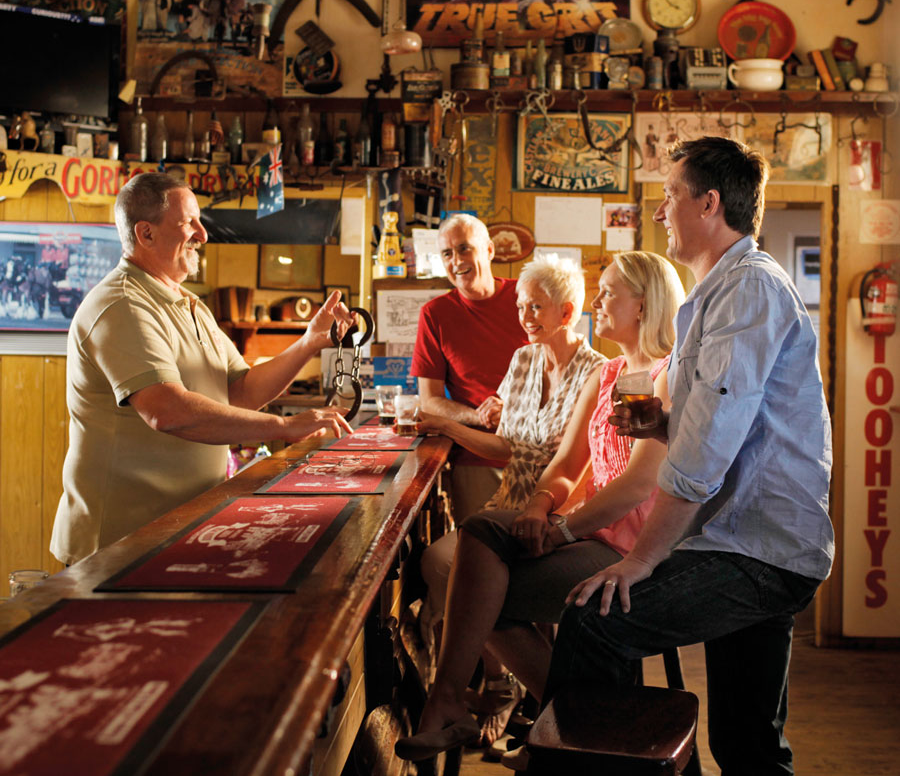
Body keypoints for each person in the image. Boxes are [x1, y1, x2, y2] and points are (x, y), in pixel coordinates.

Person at [545, 137, 835, 776]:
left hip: (760, 549)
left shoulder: (749, 289)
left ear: (709, 204)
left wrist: (642, 559)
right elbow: (715, 422)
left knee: (596, 621)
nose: (659, 212)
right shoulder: (716, 292)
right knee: (747, 744)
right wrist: (663, 421)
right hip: (749, 542)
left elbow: (708, 445)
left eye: (670, 196)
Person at [396, 251, 685, 762]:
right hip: (593, 531)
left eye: (609, 292)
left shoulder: (668, 374)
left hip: (637, 549)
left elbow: (642, 483)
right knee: (482, 537)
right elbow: (569, 466)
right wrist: (538, 506)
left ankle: (559, 719)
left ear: (644, 305)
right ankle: (560, 722)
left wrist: (564, 530)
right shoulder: (609, 373)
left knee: (484, 590)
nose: (598, 301)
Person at [50, 172, 353, 566]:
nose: (203, 234)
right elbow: (166, 410)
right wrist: (284, 428)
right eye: (188, 222)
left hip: (175, 528)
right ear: (146, 234)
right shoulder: (122, 305)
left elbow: (242, 391)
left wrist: (310, 342)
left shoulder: (188, 303)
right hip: (116, 539)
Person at [416, 255, 604, 742]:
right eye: (521, 307)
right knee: (438, 563)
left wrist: (447, 425)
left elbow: (573, 464)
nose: (524, 318)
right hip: (508, 501)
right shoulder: (523, 359)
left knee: (466, 574)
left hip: (562, 512)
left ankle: (546, 710)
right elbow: (509, 445)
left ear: (566, 313)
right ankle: (529, 704)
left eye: (536, 308)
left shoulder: (598, 372)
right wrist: (452, 424)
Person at [412, 214, 527, 523]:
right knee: (479, 559)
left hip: (542, 454)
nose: (456, 261)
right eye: (447, 253)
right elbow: (429, 401)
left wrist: (515, 413)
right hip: (476, 461)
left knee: (543, 558)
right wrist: (478, 415)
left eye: (465, 249)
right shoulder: (435, 314)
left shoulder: (527, 298)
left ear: (489, 250)